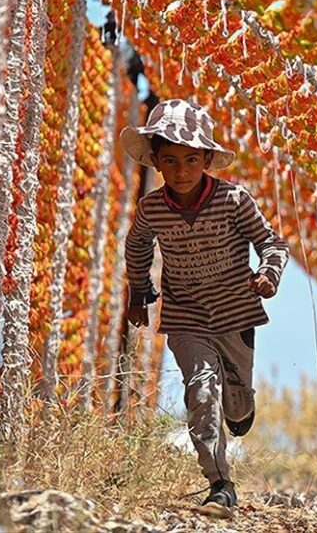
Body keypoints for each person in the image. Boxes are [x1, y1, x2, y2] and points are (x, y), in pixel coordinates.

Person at [120, 99, 289, 517]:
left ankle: (241, 406)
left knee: (235, 399)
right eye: (171, 160)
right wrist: (139, 292)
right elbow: (137, 246)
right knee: (201, 388)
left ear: (208, 159)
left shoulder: (234, 200)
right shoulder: (152, 209)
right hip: (186, 315)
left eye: (191, 160)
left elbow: (272, 243)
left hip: (235, 313)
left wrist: (268, 274)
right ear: (156, 162)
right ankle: (219, 484)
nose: (181, 171)